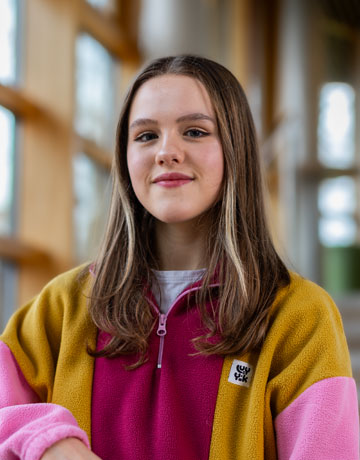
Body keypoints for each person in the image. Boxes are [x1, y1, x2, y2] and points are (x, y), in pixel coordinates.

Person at [0, 55, 358, 460]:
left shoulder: (300, 317)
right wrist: (49, 441)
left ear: (234, 149)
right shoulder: (61, 306)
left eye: (194, 131)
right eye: (146, 136)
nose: (167, 152)